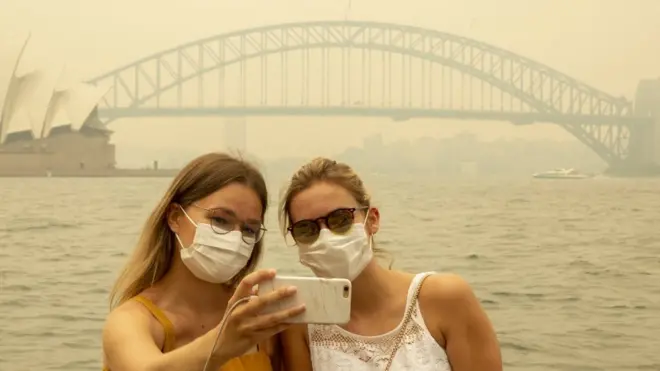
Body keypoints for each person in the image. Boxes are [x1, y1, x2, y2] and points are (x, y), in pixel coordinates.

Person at [278, 157, 502, 371]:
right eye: (306, 229)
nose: (326, 236)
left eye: (340, 220)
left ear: (372, 220)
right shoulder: (300, 324)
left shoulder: (447, 299)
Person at [102, 153, 305, 371]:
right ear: (175, 217)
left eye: (249, 229)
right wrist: (223, 342)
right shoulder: (133, 321)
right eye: (219, 219)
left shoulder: (257, 318)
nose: (235, 237)